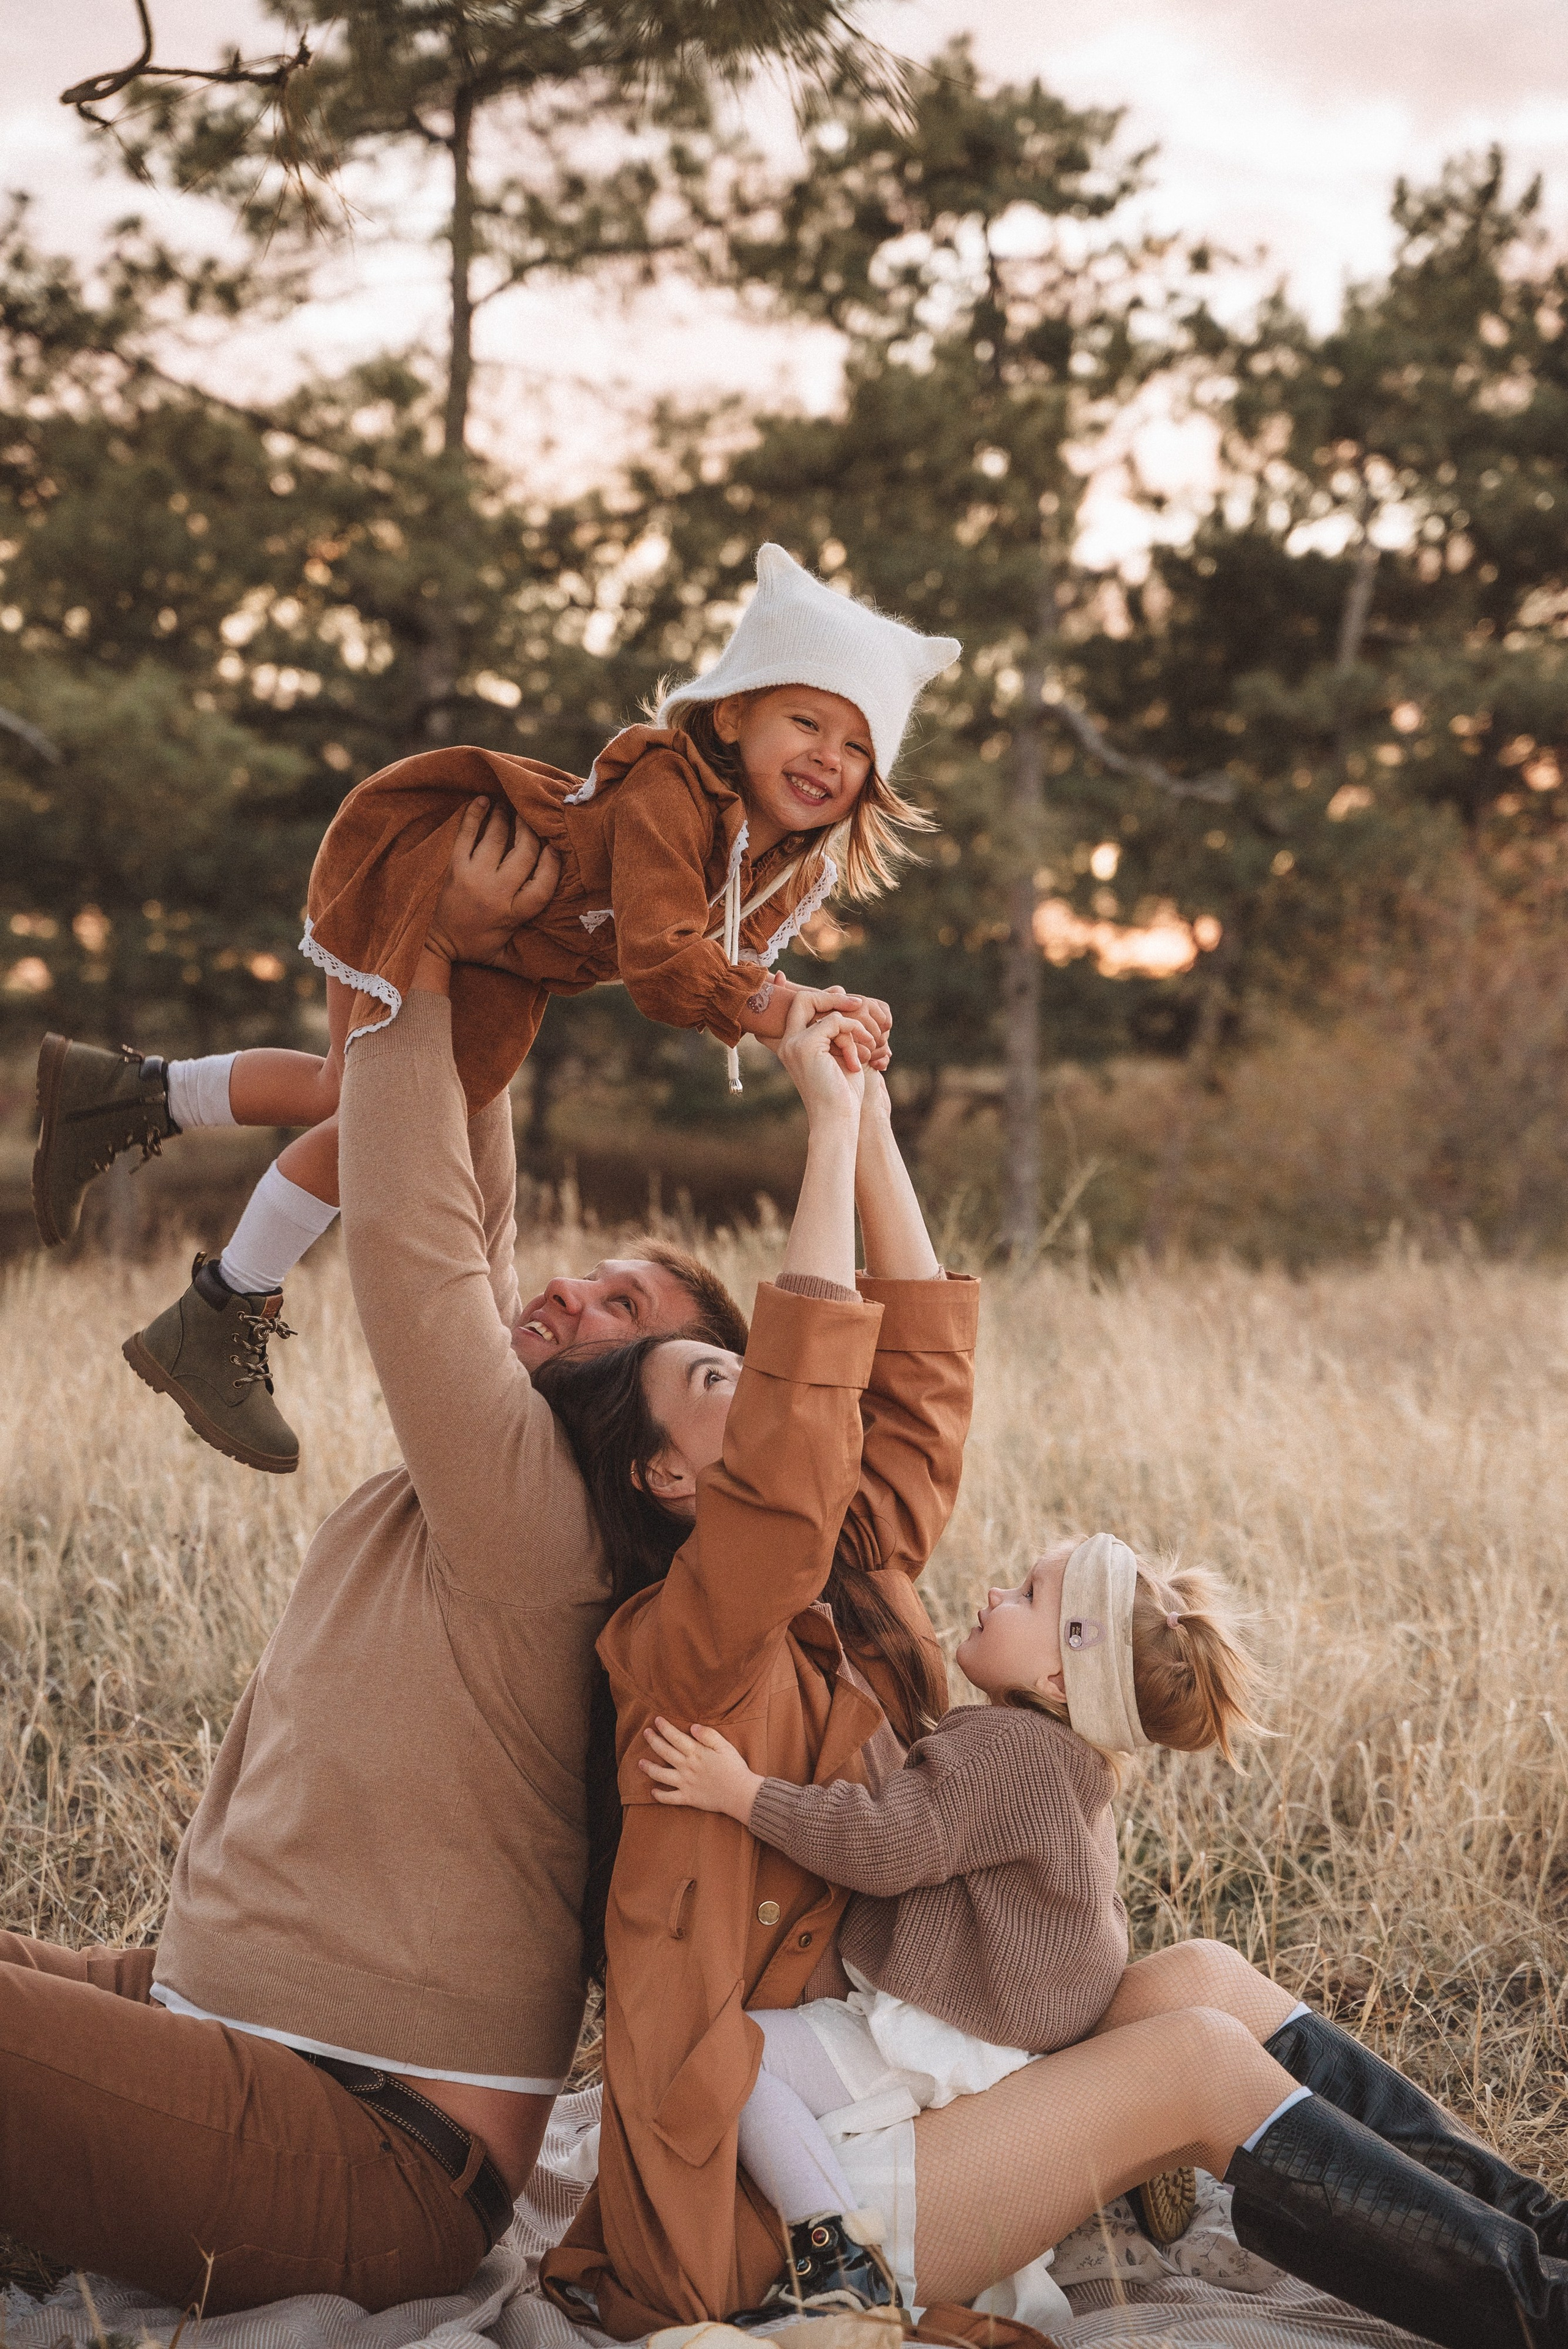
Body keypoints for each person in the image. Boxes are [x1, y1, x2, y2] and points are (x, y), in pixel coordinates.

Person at [531, 1013, 1568, 2349]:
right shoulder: (688, 1641)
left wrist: (871, 1120)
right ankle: (1530, 2316)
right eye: (725, 1376)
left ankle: (1535, 2230)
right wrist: (818, 1128)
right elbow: (790, 1455)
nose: (792, 1388)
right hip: (763, 2202)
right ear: (670, 1476)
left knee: (1199, 1978)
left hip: (895, 2079)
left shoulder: (846, 1577)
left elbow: (912, 1377)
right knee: (1190, 2065)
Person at [0, 813, 753, 2315]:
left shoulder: (538, 1517)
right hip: (215, 2011)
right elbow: (459, 1186)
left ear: (660, 1442)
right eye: (585, 1269)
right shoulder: (508, 1467)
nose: (558, 1285)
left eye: (617, 1309)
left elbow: (419, 1230)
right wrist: (442, 939)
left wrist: (417, 947)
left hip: (364, 2144)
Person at [31, 542, 957, 1474]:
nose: (828, 758)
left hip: (512, 952)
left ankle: (124, 1094)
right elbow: (665, 967)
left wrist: (804, 1005)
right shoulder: (673, 788)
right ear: (734, 710)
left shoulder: (769, 853)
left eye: (858, 747)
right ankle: (225, 1301)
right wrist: (776, 1000)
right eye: (808, 721)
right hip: (435, 856)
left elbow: (728, 970)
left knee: (338, 1090)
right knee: (376, 1119)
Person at [637, 1534, 1256, 2271]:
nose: (995, 1596)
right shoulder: (1075, 1759)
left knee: (736, 2058)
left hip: (954, 2030)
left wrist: (745, 1795)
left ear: (1059, 1677)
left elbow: (887, 1847)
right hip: (1031, 2025)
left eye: (1027, 1595)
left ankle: (835, 2252)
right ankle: (1121, 2169)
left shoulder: (1002, 1747)